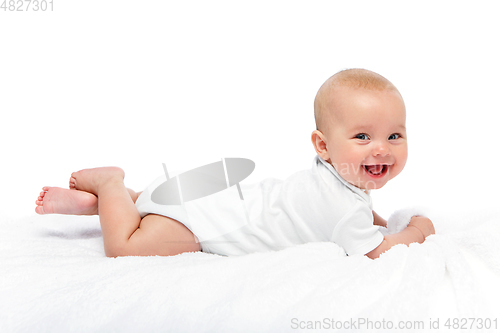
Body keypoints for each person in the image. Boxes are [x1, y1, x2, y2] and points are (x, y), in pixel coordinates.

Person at [35, 68, 435, 259]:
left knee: (146, 205)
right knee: (125, 246)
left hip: (207, 199)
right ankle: (110, 184)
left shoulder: (334, 182)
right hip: (198, 225)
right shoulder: (342, 205)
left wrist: (379, 221)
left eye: (394, 136)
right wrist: (416, 230)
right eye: (363, 137)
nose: (381, 149)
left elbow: (356, 214)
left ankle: (117, 200)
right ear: (323, 145)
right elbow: (377, 253)